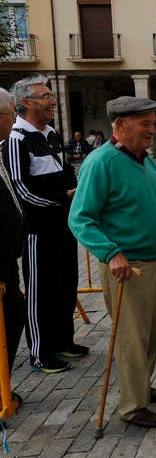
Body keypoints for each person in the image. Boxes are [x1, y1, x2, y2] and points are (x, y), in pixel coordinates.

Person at [68, 96, 156, 429]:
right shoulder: (100, 162)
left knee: (152, 329)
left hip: (151, 259)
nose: (153, 130)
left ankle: (142, 387)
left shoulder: (144, 160)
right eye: (145, 124)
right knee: (132, 337)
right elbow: (80, 219)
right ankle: (133, 406)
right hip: (125, 266)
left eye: (152, 123)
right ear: (120, 125)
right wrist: (111, 253)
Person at [2, 75, 86, 374]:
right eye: (46, 96)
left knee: (66, 283)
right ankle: (40, 352)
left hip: (64, 226)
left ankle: (64, 341)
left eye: (52, 95)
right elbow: (22, 190)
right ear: (26, 102)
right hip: (38, 230)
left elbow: (67, 172)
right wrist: (64, 199)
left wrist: (74, 194)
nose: (53, 100)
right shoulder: (16, 139)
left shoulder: (51, 134)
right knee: (40, 291)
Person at [0, 88, 26, 405]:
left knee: (13, 316)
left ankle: (3, 385)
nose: (14, 120)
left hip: (7, 260)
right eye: (11, 114)